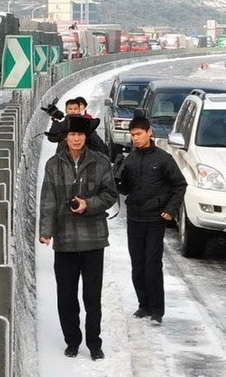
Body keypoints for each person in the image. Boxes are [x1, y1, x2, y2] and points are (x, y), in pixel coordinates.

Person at [39, 115, 118, 361]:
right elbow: (48, 199)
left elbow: (110, 195)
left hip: (94, 238)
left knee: (92, 296)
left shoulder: (101, 162)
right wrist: (46, 231)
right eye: (72, 134)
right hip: (64, 238)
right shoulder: (54, 164)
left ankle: (94, 343)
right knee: (66, 296)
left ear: (85, 137)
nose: (76, 138)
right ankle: (72, 341)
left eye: (80, 135)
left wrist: (88, 204)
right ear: (65, 137)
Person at [115, 116, 187, 326]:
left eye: (139, 134)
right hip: (134, 218)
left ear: (149, 132)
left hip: (155, 219)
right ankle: (143, 305)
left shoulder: (163, 159)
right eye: (133, 135)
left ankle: (157, 310)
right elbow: (125, 190)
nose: (136, 138)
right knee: (137, 264)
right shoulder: (130, 159)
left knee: (152, 265)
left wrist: (170, 210)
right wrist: (118, 178)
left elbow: (180, 185)